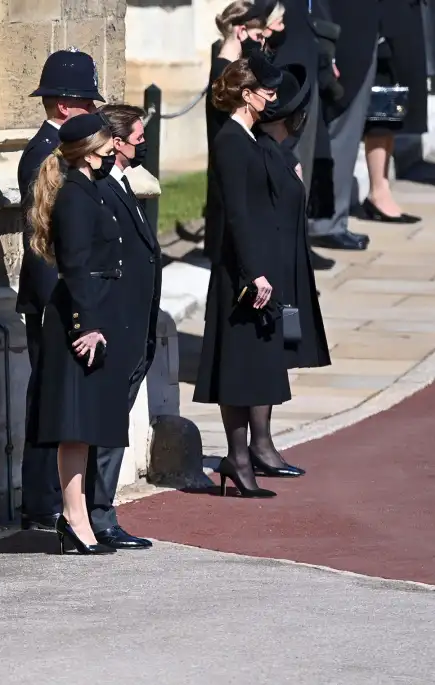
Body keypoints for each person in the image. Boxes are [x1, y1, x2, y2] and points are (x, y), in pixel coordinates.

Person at [27, 113, 128, 555]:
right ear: (88, 153)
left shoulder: (91, 190)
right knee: (74, 426)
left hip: (96, 314)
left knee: (84, 426)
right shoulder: (73, 196)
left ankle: (78, 516)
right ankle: (74, 518)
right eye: (106, 147)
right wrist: (86, 324)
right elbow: (75, 264)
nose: (112, 153)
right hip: (80, 322)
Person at [16, 48, 104, 533]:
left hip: (64, 294)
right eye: (86, 103)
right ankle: (42, 501)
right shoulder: (44, 153)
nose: (93, 111)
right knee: (50, 400)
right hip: (54, 296)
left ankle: (56, 498)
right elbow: (48, 235)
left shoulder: (61, 147)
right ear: (66, 105)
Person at [193, 52, 286, 499]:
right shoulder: (230, 139)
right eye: (267, 91)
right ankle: (238, 458)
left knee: (259, 362)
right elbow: (236, 213)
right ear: (247, 95)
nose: (273, 98)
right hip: (242, 274)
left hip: (260, 266)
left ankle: (251, 453)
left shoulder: (251, 136)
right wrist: (254, 273)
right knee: (237, 367)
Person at [85, 104, 159, 550]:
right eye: (137, 138)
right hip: (116, 329)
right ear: (116, 143)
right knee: (107, 428)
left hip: (134, 329)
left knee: (114, 426)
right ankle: (98, 516)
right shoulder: (100, 191)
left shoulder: (122, 185)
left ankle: (100, 510)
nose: (142, 145)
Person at [255, 63, 332, 476]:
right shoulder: (263, 153)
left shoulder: (282, 156)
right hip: (268, 271)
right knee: (264, 357)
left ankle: (262, 443)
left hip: (285, 267)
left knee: (277, 356)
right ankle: (258, 447)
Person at [308, 0, 380, 251]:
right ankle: (325, 223)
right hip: (338, 32)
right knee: (339, 131)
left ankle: (328, 220)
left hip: (353, 29)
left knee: (343, 131)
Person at [205, 1, 271, 265]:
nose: (261, 43)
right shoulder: (224, 71)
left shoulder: (232, 67)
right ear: (241, 31)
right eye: (258, 36)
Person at [357, 2, 426, 224]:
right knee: (383, 103)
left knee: (392, 104)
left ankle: (381, 187)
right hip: (381, 20)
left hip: (401, 16)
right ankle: (378, 190)